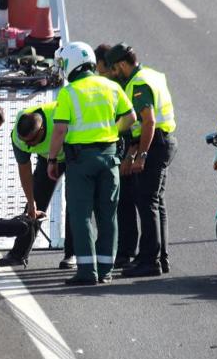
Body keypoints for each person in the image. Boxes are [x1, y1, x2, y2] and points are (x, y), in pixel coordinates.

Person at [48, 41, 136, 285]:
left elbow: (59, 131)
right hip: (110, 158)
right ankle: (106, 270)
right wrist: (112, 131)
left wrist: (52, 159)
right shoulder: (111, 86)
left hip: (80, 161)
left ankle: (87, 271)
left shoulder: (70, 92)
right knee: (108, 215)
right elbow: (131, 117)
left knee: (81, 215)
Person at [106, 43, 177, 278]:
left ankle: (150, 261)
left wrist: (142, 155)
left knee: (147, 202)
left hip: (154, 143)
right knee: (155, 202)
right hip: (159, 142)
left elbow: (148, 122)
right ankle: (158, 257)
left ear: (123, 64)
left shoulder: (138, 84)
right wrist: (134, 152)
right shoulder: (151, 74)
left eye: (114, 68)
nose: (114, 73)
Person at [0, 102, 75, 269]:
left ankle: (72, 254)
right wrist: (31, 201)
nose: (29, 145)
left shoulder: (61, 120)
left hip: (74, 153)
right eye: (26, 142)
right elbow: (24, 170)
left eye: (32, 141)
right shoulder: (20, 139)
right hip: (48, 158)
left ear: (41, 130)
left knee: (75, 202)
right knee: (36, 203)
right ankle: (18, 253)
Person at [95, 43, 139, 269]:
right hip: (121, 146)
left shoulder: (112, 85)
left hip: (123, 147)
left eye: (100, 67)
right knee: (122, 203)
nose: (99, 72)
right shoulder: (115, 82)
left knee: (123, 203)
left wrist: (129, 151)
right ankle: (124, 251)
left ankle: (125, 252)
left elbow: (128, 120)